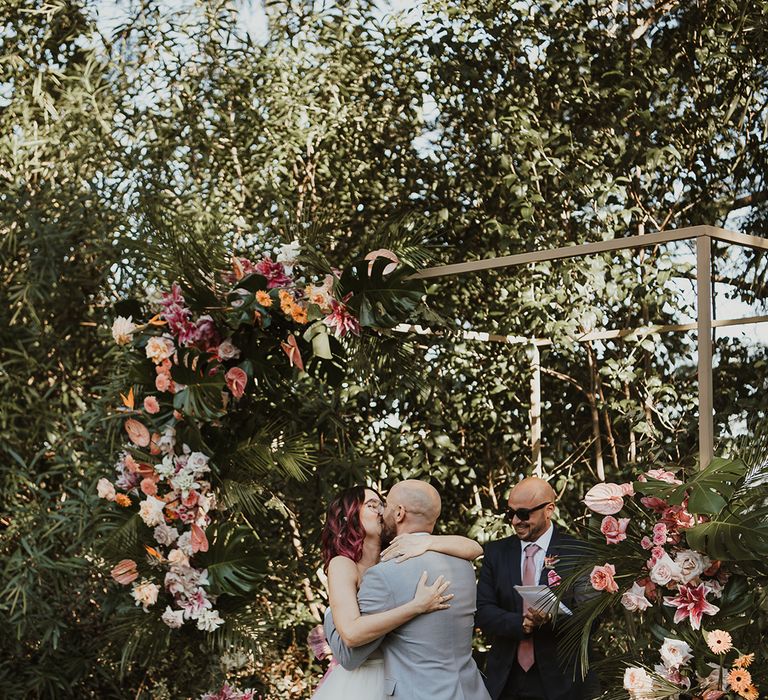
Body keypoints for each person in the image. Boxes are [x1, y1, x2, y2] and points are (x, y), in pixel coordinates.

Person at [322, 480, 491, 700]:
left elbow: (475, 548)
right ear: (349, 517)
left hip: (406, 680)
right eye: (373, 505)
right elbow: (351, 641)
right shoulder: (344, 565)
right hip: (368, 680)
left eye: (383, 504)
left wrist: (427, 543)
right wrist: (416, 606)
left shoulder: (393, 561)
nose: (383, 511)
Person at [476, 477, 599, 700]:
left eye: (523, 514)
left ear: (549, 510)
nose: (515, 521)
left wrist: (552, 617)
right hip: (506, 678)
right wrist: (521, 623)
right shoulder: (496, 552)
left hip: (562, 679)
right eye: (510, 513)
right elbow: (483, 611)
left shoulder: (579, 552)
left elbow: (591, 617)